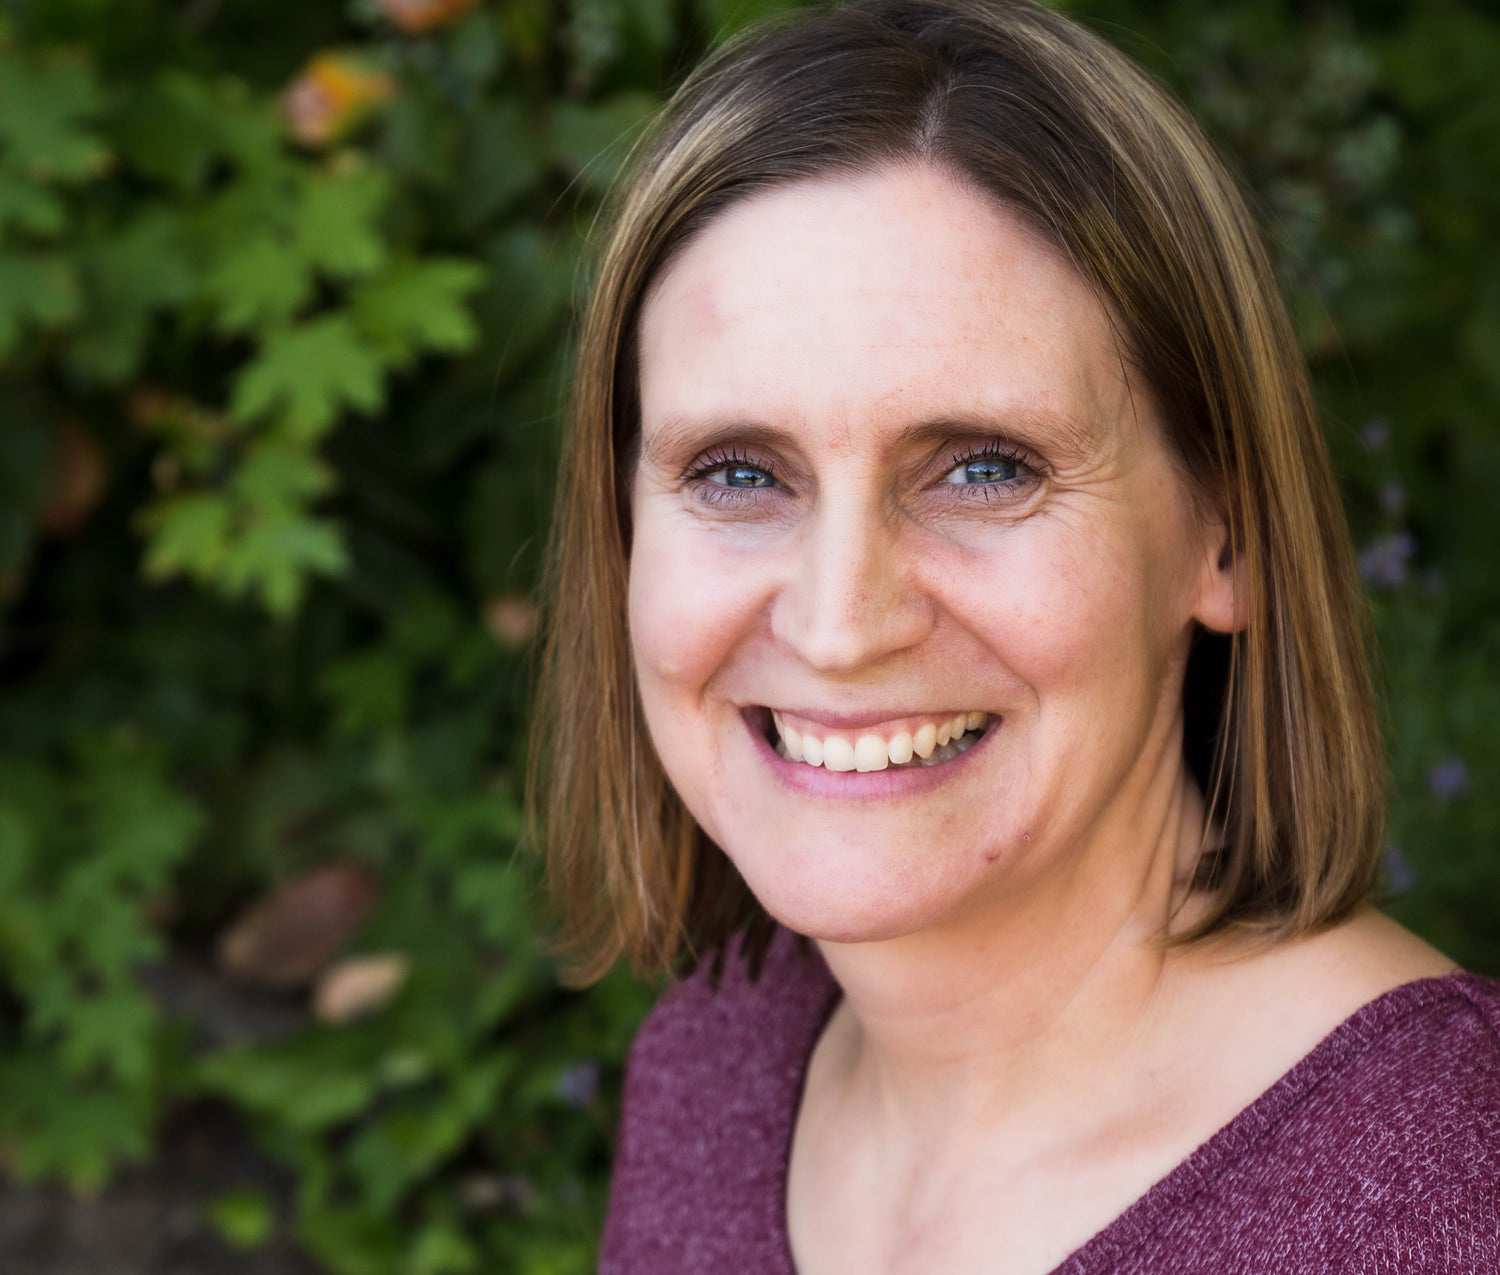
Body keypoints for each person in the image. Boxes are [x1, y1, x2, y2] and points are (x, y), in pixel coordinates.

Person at [529, 1, 1500, 1271]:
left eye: (984, 469)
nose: (837, 625)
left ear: (1227, 533)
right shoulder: (717, 1066)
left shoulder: (1446, 1204)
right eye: (735, 473)